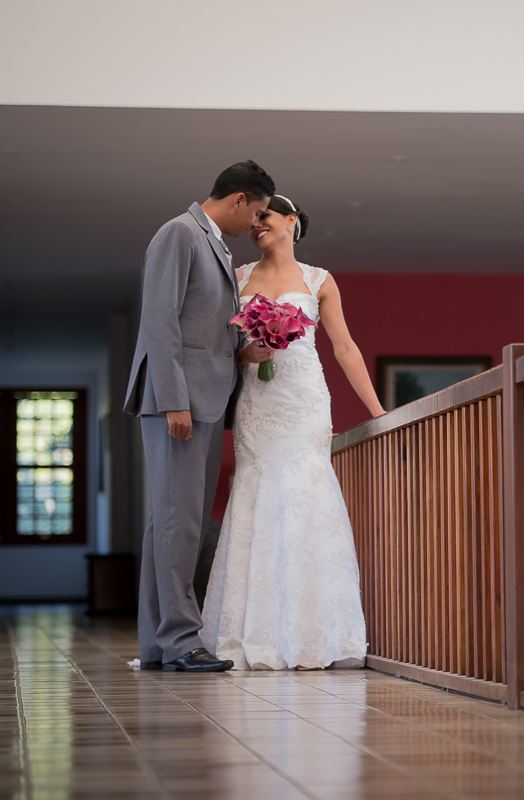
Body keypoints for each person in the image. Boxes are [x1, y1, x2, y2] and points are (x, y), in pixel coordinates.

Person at [201, 194, 384, 670]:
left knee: (307, 500)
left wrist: (378, 410)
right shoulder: (237, 277)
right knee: (256, 500)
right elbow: (216, 346)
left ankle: (314, 634)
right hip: (258, 406)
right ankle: (255, 634)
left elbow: (344, 348)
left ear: (291, 221)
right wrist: (244, 355)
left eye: (265, 217)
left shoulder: (319, 280)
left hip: (304, 403)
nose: (256, 225)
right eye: (253, 220)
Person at [124, 160, 276, 672]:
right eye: (256, 213)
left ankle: (156, 645)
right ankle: (183, 642)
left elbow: (203, 327)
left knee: (168, 523)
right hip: (181, 402)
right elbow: (160, 320)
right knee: (180, 523)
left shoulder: (214, 242)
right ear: (237, 199)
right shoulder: (179, 234)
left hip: (204, 398)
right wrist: (174, 400)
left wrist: (242, 351)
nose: (256, 225)